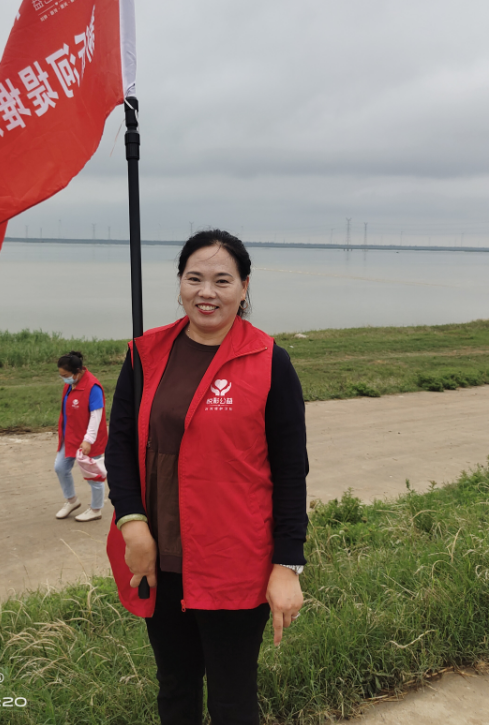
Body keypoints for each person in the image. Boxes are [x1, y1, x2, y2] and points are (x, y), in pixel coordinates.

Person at [106, 229, 309, 725]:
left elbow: (291, 470)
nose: (206, 292)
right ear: (179, 283)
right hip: (160, 559)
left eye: (222, 280)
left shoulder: (269, 361)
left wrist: (287, 564)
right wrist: (133, 524)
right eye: (194, 278)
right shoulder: (144, 355)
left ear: (244, 287)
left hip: (234, 562)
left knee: (232, 700)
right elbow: (121, 446)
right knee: (175, 689)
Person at [54, 350, 107, 522]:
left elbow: (96, 416)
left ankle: (96, 509)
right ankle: (72, 501)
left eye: (66, 375)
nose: (64, 379)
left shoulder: (93, 387)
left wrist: (88, 440)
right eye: (61, 375)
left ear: (77, 372)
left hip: (88, 440)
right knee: (60, 467)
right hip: (70, 436)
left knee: (94, 476)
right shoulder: (70, 385)